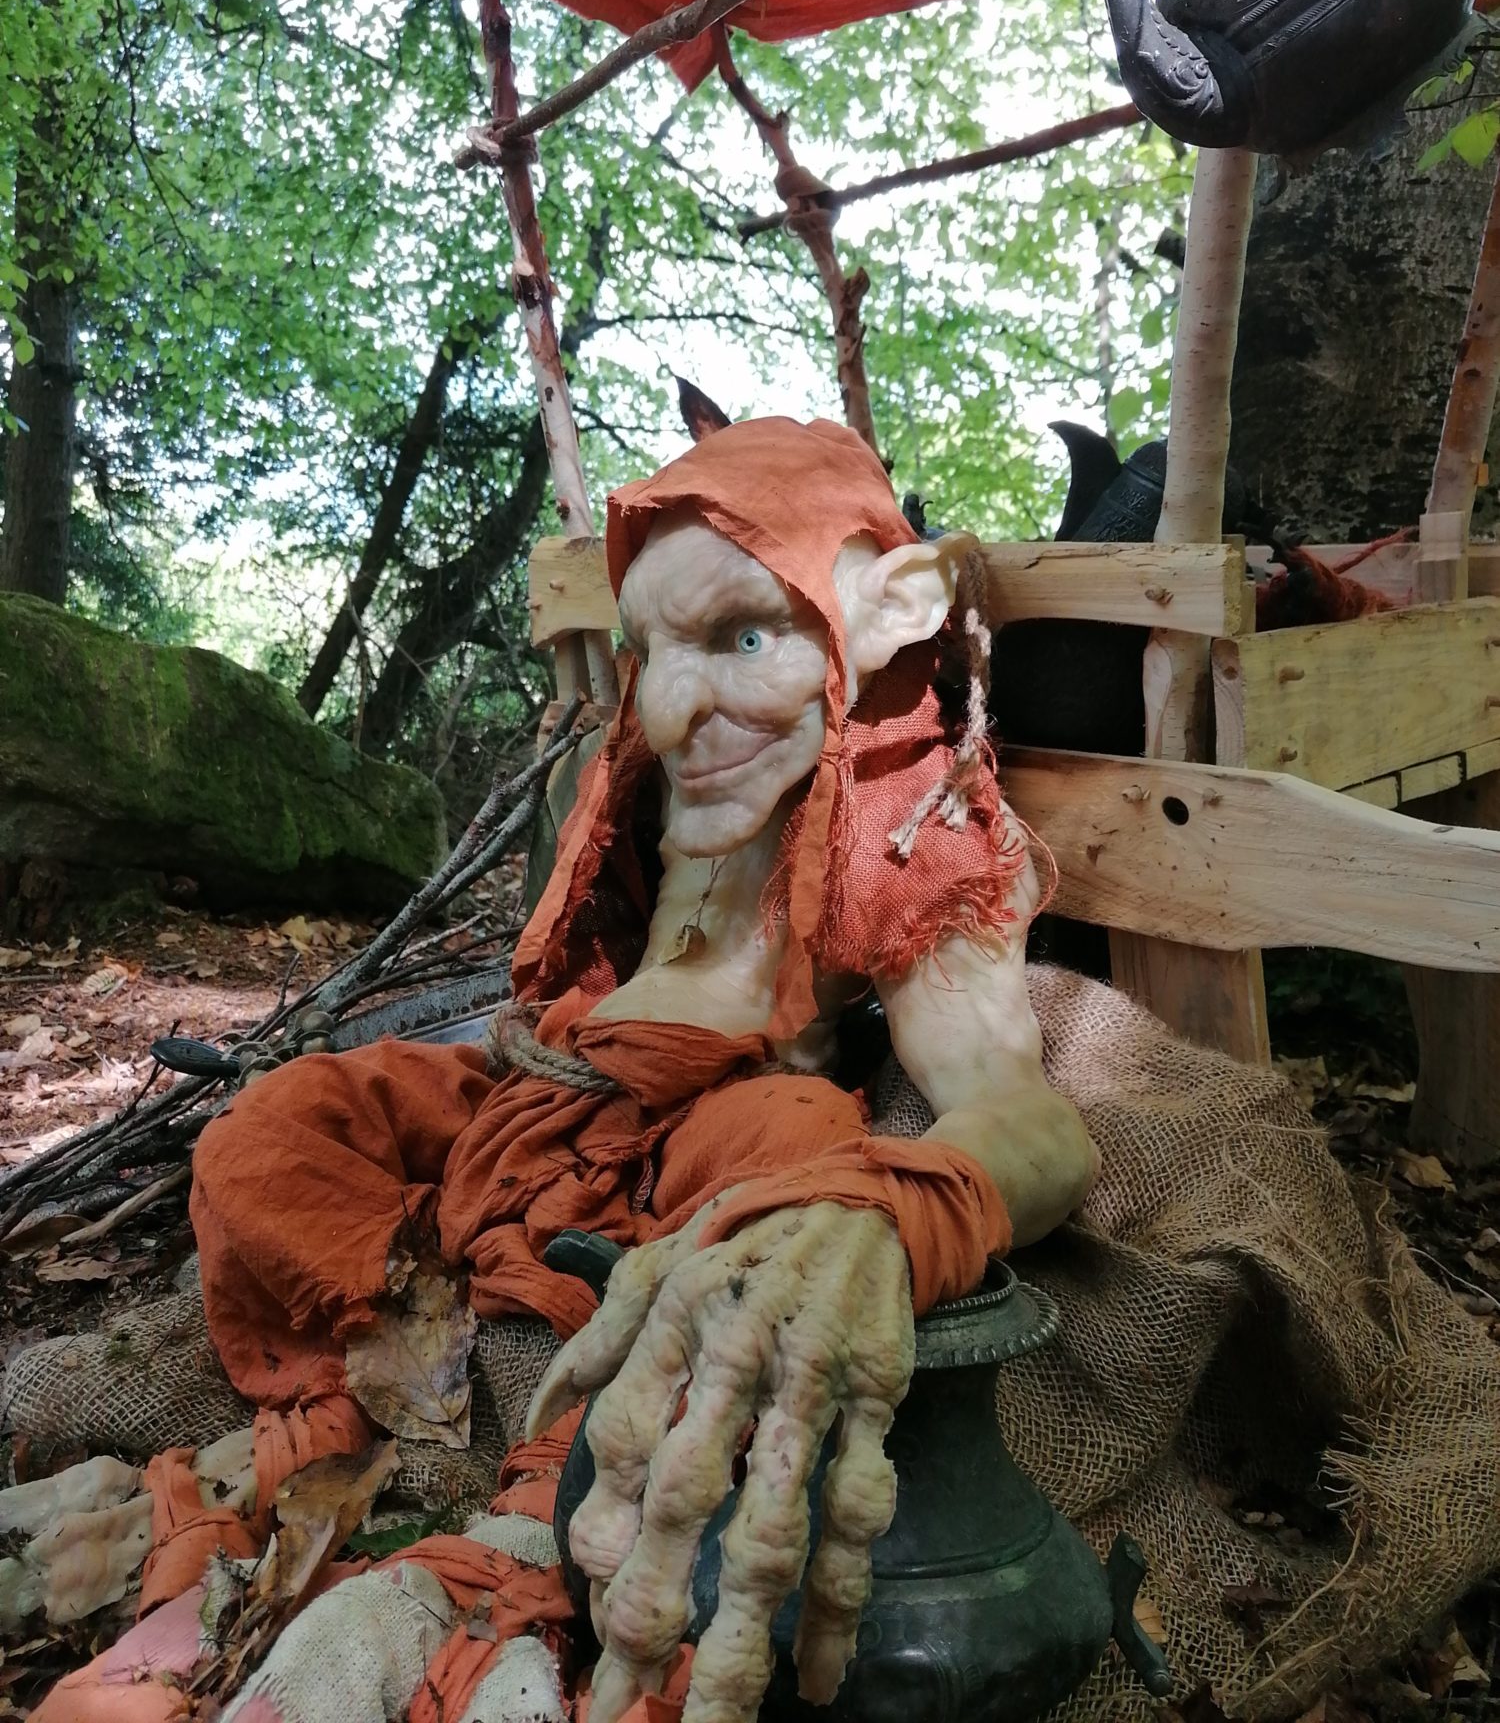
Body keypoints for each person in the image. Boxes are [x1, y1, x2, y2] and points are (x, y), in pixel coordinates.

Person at [21, 417, 1097, 1723]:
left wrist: (890, 1211)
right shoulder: (642, 772)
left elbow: (1026, 1114)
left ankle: (547, 1502)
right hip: (539, 1088)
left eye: (742, 638)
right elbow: (566, 965)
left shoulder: (906, 821)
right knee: (267, 1130)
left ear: (891, 609)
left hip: (701, 1121)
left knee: (797, 1140)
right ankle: (376, 1380)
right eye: (652, 652)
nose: (675, 709)